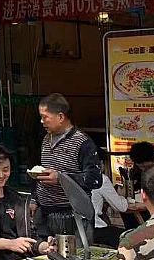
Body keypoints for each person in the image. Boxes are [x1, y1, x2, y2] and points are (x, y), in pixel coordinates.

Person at [29, 93, 101, 237]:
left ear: (61, 117)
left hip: (72, 216)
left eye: (45, 117)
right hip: (44, 213)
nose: (41, 121)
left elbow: (95, 179)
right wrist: (34, 199)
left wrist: (61, 178)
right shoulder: (46, 139)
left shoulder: (82, 142)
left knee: (75, 251)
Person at [91, 149, 130, 247]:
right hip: (95, 228)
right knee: (130, 237)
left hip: (76, 228)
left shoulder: (71, 176)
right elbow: (121, 207)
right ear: (100, 163)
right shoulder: (101, 179)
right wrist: (126, 199)